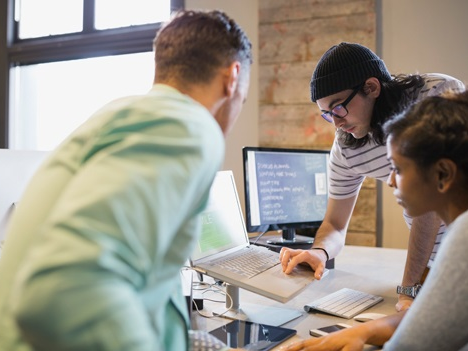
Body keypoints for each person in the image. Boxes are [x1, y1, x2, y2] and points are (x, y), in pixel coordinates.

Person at [0, 10, 251, 351]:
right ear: (232, 78)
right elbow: (61, 291)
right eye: (244, 100)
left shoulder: (122, 114)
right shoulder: (188, 128)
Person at [279, 42, 465, 311]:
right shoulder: (346, 147)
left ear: (371, 87)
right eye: (326, 114)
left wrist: (408, 290)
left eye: (338, 107)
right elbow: (334, 224)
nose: (336, 122)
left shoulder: (434, 96)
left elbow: (431, 204)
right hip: (436, 266)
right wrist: (319, 252)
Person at [284, 89, 468, 351]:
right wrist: (365, 331)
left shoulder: (463, 237)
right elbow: (431, 319)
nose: (391, 181)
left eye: (398, 169)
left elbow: (408, 345)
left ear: (442, 173)